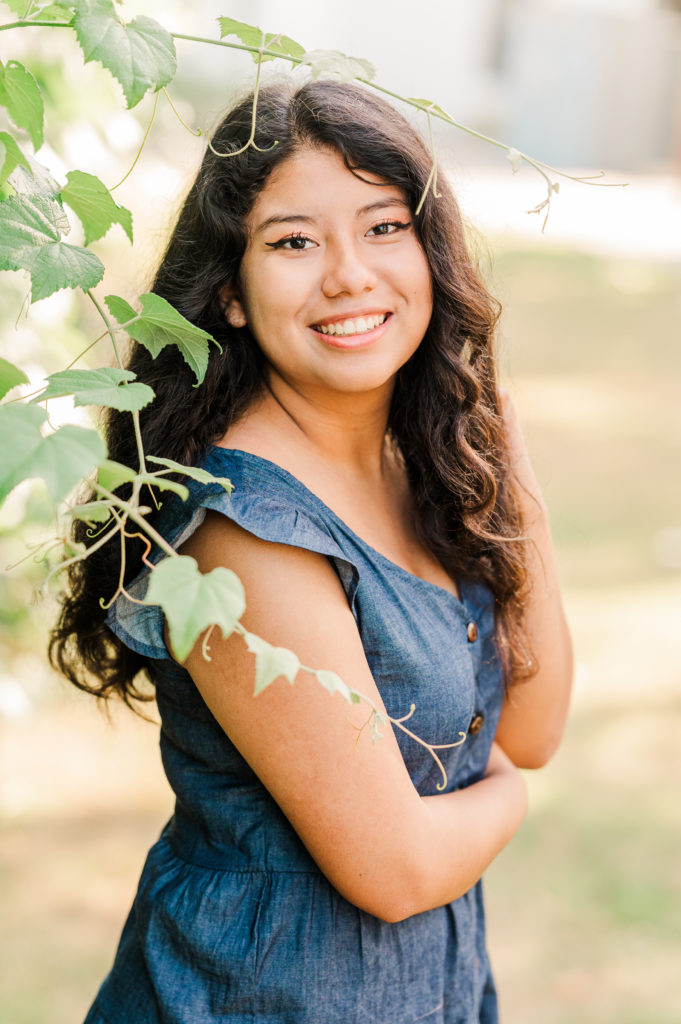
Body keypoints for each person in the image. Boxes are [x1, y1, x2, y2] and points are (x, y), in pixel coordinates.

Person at [51, 79, 573, 1023]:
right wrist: (505, 802)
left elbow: (530, 728)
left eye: (382, 226)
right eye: (293, 242)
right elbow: (399, 868)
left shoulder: (415, 463)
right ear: (232, 295)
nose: (348, 275)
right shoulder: (243, 531)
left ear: (430, 250)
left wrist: (504, 453)